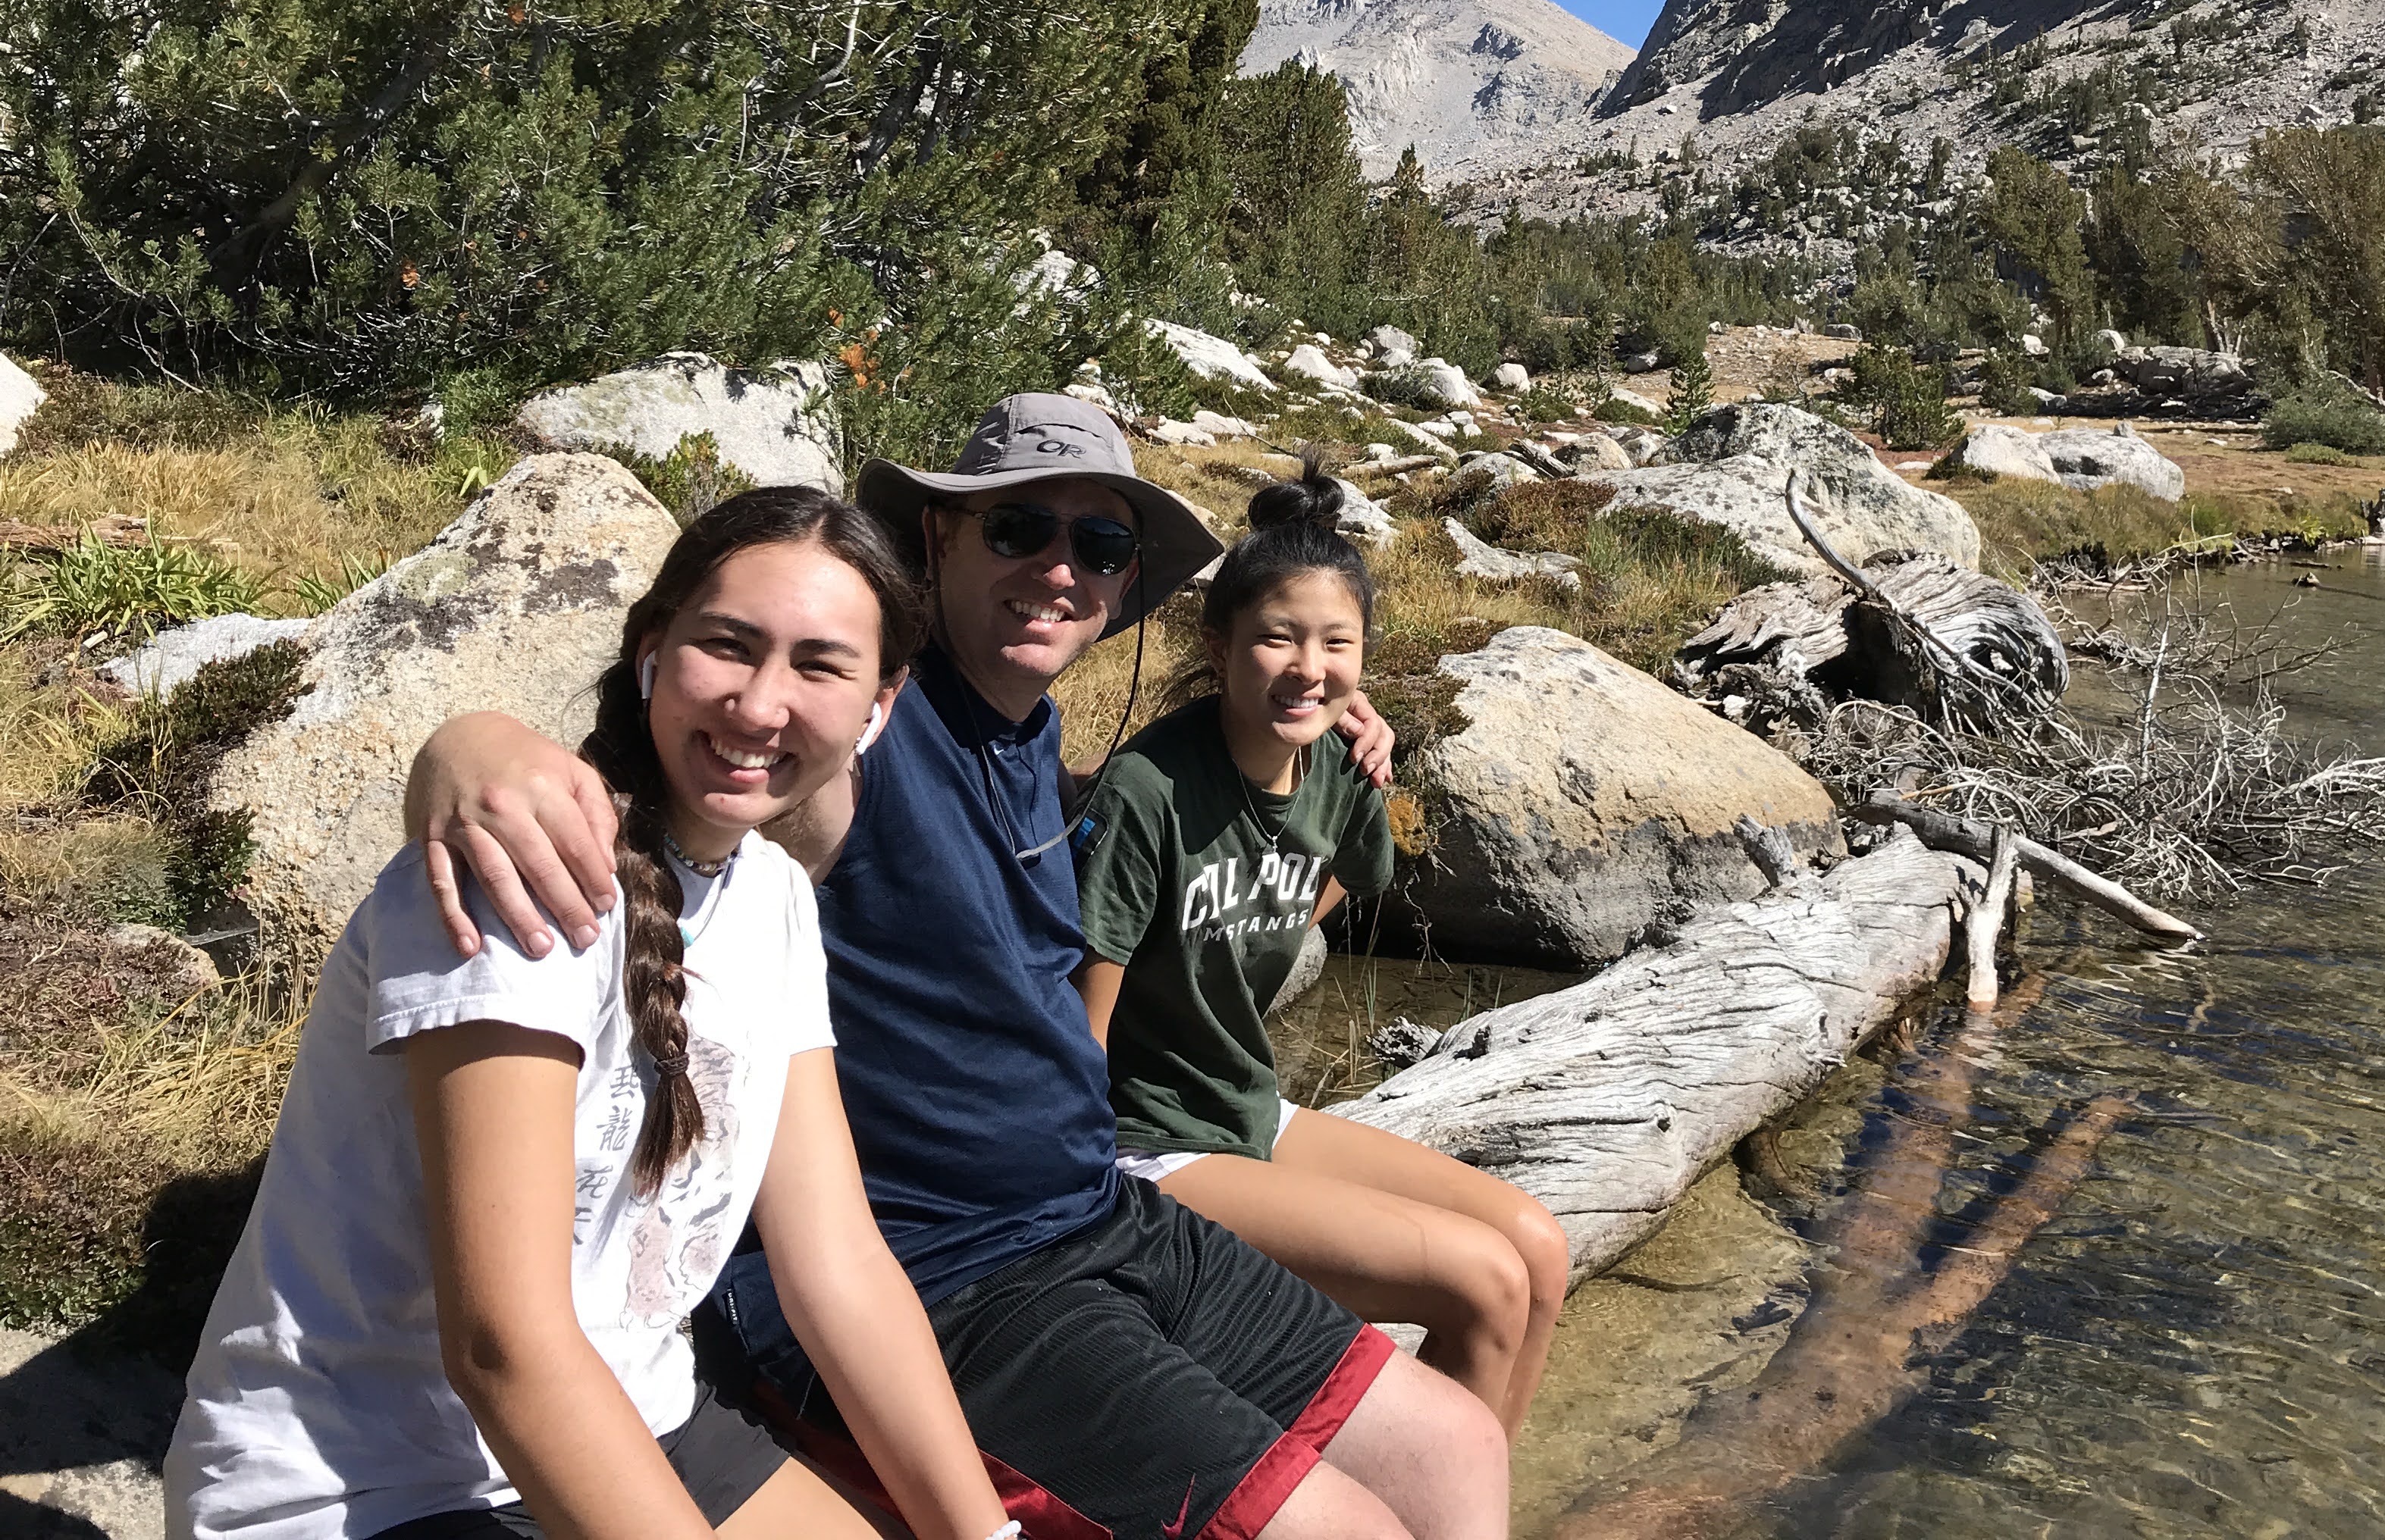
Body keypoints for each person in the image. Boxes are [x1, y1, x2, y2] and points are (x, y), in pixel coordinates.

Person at [404, 396, 1507, 1540]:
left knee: (1456, 1445)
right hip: (949, 1272)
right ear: (938, 538)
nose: (1060, 569)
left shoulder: (1035, 735)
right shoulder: (872, 717)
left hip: (1099, 1211)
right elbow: (733, 755)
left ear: (1125, 584)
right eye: (1019, 528)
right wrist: (473, 746)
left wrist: (1323, 713)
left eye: (1101, 544)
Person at [168, 488, 1016, 1540]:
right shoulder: (521, 874)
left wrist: (988, 1536)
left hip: (640, 1418)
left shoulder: (775, 898)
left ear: (878, 710)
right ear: (653, 651)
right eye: (728, 645)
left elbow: (838, 1263)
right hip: (372, 1486)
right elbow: (503, 1350)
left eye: (819, 666)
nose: (760, 706)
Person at [1071, 462, 1569, 1440]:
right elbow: (1081, 1029)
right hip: (1144, 1141)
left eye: (1336, 642)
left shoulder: (1340, 765)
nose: (1309, 666)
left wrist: (1278, 892)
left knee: (1537, 1249)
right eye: (1277, 637)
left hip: (1246, 1106)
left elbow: (1326, 890)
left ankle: (1472, 1498)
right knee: (1479, 1283)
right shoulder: (1147, 791)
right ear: (1219, 645)